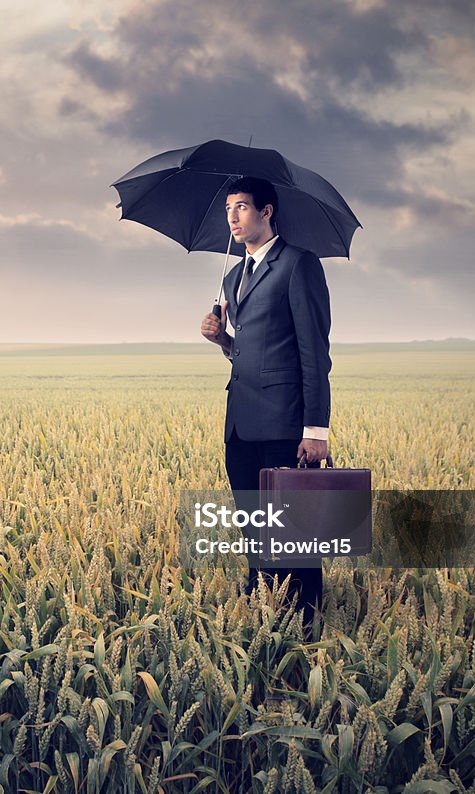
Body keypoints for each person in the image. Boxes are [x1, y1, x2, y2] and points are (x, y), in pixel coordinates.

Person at [200, 176, 331, 637]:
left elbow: (314, 352)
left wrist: (316, 430)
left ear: (267, 212)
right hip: (241, 422)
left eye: (242, 207)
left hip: (284, 422)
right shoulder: (234, 275)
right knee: (255, 523)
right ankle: (263, 607)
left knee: (294, 527)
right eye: (228, 209)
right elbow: (249, 353)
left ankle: (307, 620)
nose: (233, 217)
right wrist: (222, 340)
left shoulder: (298, 265)